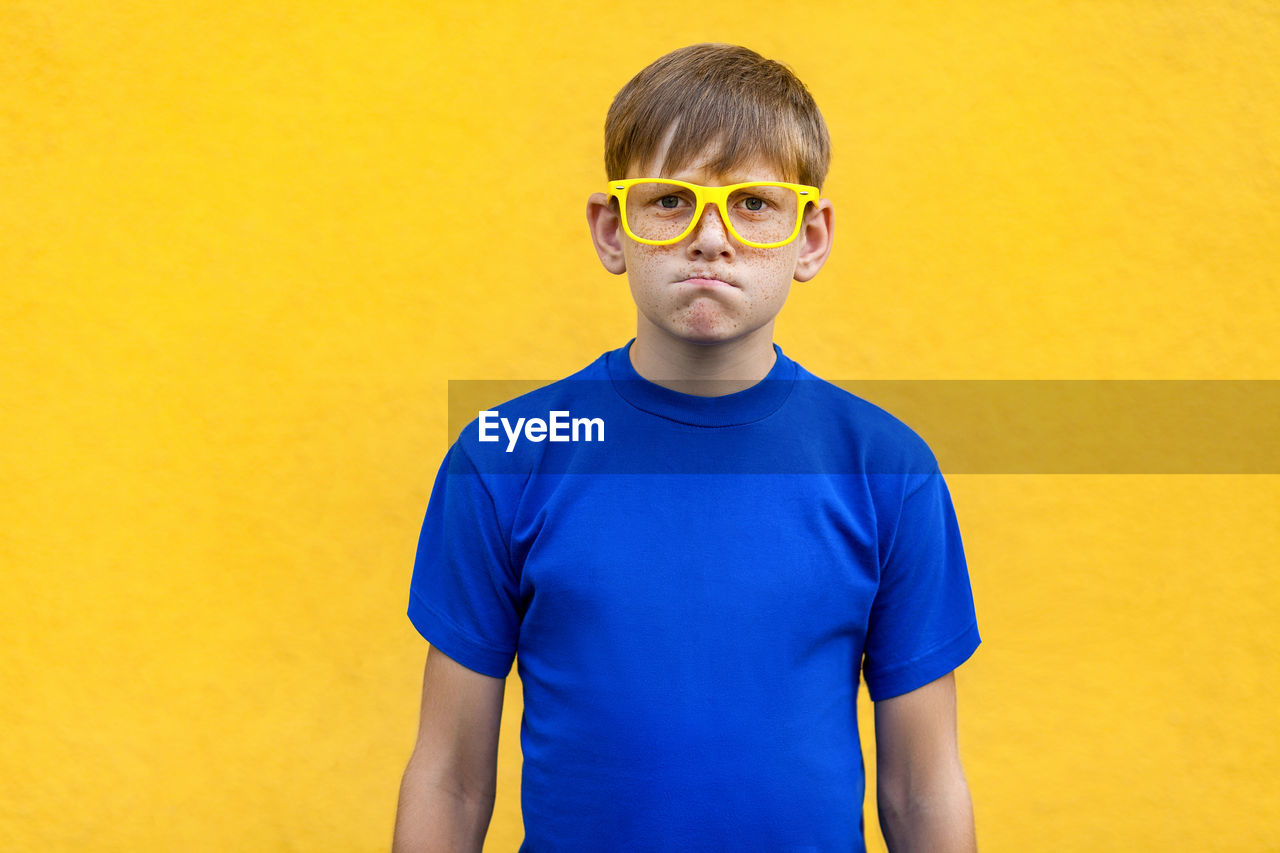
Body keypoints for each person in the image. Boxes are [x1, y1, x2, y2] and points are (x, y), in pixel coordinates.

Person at [393, 43, 981, 852]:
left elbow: (922, 787)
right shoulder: (506, 456)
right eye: (669, 201)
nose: (711, 237)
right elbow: (450, 777)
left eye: (755, 204)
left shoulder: (887, 468)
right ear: (611, 229)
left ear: (810, 237)